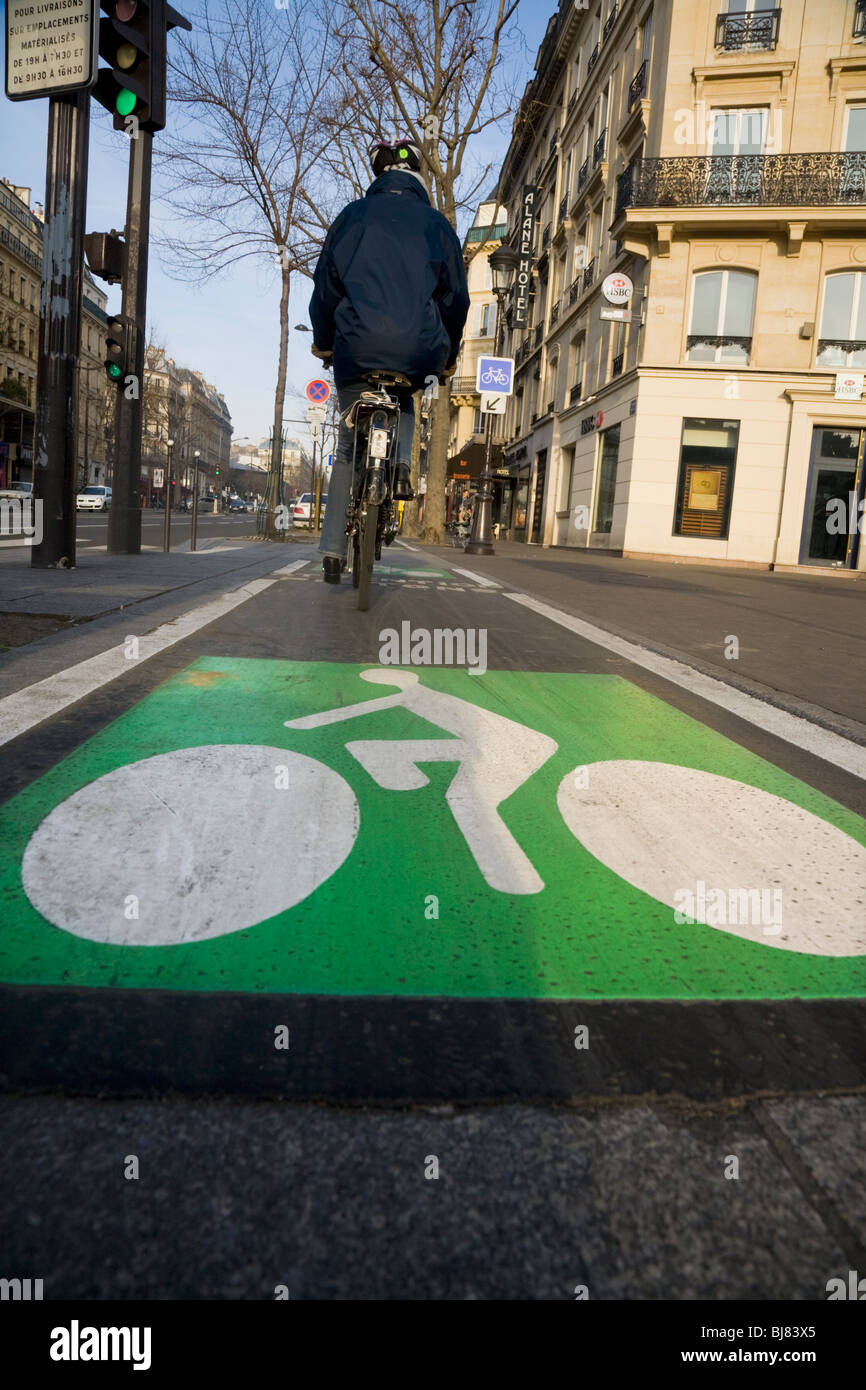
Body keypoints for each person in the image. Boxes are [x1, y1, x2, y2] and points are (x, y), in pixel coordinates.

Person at [309, 138, 470, 583]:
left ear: (377, 176)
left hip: (357, 347)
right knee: (404, 398)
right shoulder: (438, 226)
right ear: (417, 177)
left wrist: (324, 341)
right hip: (417, 348)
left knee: (345, 449)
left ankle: (332, 552)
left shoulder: (351, 218)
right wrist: (447, 355)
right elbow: (456, 299)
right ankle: (400, 469)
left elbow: (327, 287)